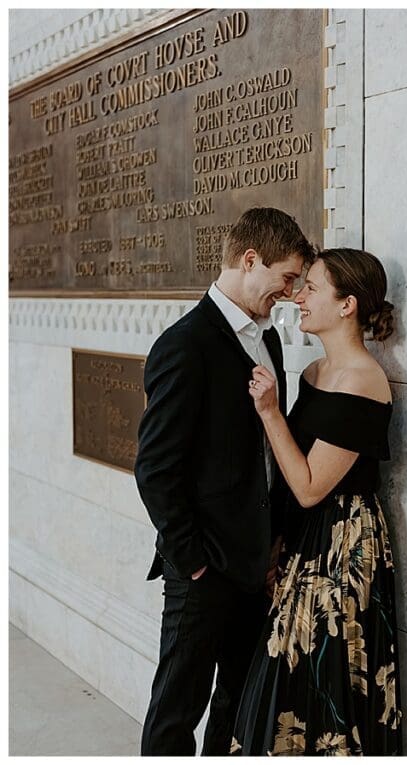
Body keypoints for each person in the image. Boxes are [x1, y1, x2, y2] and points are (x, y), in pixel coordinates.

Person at [135, 207, 315, 755]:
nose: (288, 292)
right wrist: (190, 560)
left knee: (237, 707)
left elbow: (262, 448)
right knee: (177, 710)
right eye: (286, 278)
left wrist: (272, 543)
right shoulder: (184, 345)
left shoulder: (272, 341)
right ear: (249, 260)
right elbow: (156, 468)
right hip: (202, 568)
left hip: (254, 564)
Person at [231, 248, 402, 756]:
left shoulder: (363, 379)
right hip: (306, 539)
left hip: (345, 547)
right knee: (284, 683)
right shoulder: (314, 373)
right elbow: (293, 485)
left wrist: (269, 413)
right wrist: (276, 545)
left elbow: (309, 484)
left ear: (347, 304)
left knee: (323, 683)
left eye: (312, 287)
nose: (297, 297)